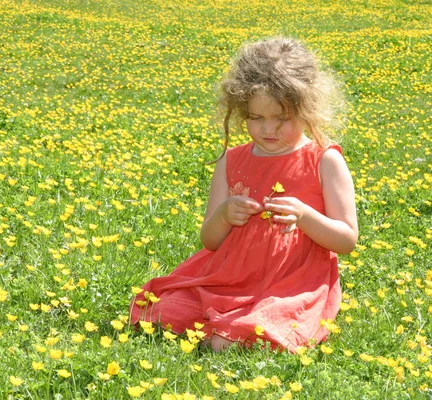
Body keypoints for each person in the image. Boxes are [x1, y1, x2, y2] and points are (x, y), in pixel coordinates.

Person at [129, 38, 358, 353]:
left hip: (290, 282)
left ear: (307, 109)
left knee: (238, 336)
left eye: (282, 118)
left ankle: (232, 330)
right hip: (227, 278)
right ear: (241, 112)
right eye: (256, 118)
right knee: (161, 312)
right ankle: (223, 323)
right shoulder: (231, 160)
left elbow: (346, 240)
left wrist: (305, 217)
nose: (268, 129)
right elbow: (209, 241)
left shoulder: (324, 160)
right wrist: (224, 215)